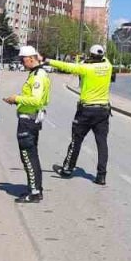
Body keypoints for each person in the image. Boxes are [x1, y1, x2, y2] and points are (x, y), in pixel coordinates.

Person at [49, 45, 114, 185]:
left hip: (86, 111)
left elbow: (68, 67)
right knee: (102, 144)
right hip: (103, 111)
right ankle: (101, 176)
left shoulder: (86, 68)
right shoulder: (108, 66)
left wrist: (48, 61)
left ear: (90, 56)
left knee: (76, 140)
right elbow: (102, 60)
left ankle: (67, 169)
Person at [3, 46, 50, 203]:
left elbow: (36, 100)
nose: (22, 64)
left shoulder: (37, 76)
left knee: (28, 157)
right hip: (31, 119)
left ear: (31, 58)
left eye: (23, 61)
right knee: (32, 156)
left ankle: (35, 192)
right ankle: (35, 188)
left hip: (28, 121)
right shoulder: (36, 73)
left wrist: (17, 99)